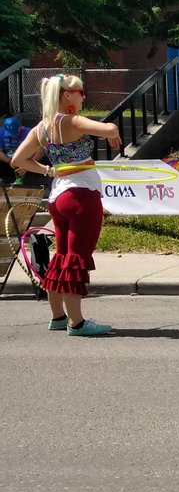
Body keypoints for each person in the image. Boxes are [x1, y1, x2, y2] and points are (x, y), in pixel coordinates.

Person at [10, 75, 121, 335]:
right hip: (81, 195)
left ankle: (58, 317)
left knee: (61, 256)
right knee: (76, 259)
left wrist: (49, 170)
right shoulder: (72, 121)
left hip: (58, 196)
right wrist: (112, 133)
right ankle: (77, 322)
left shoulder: (43, 127)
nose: (84, 96)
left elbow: (18, 159)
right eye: (81, 91)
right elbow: (109, 129)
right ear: (66, 95)